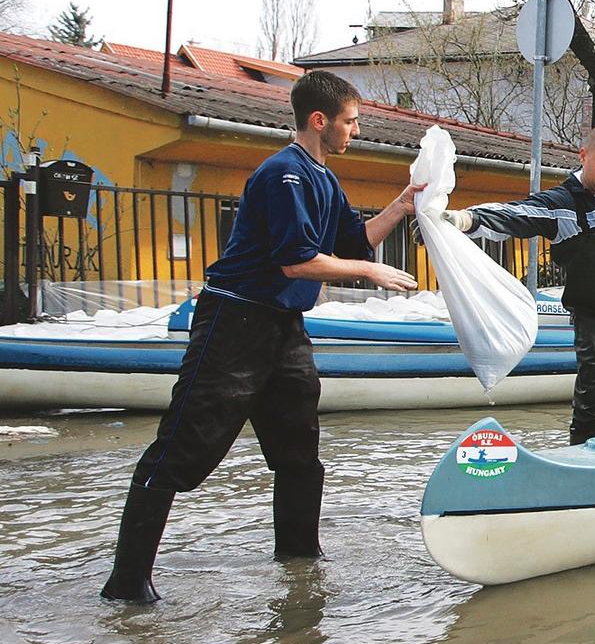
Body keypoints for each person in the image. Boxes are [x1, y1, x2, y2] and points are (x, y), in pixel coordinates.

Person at [101, 70, 423, 603]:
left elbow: (351, 240)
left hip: (284, 330)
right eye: (351, 122)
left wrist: (401, 206)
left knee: (300, 451)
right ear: (320, 121)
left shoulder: (324, 178)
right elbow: (298, 263)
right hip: (234, 325)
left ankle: (300, 563)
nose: (356, 131)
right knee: (184, 448)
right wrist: (371, 275)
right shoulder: (284, 175)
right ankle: (127, 583)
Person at [441, 124, 595, 444]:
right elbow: (515, 214)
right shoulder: (563, 204)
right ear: (583, 156)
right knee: (592, 403)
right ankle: (581, 462)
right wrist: (465, 220)